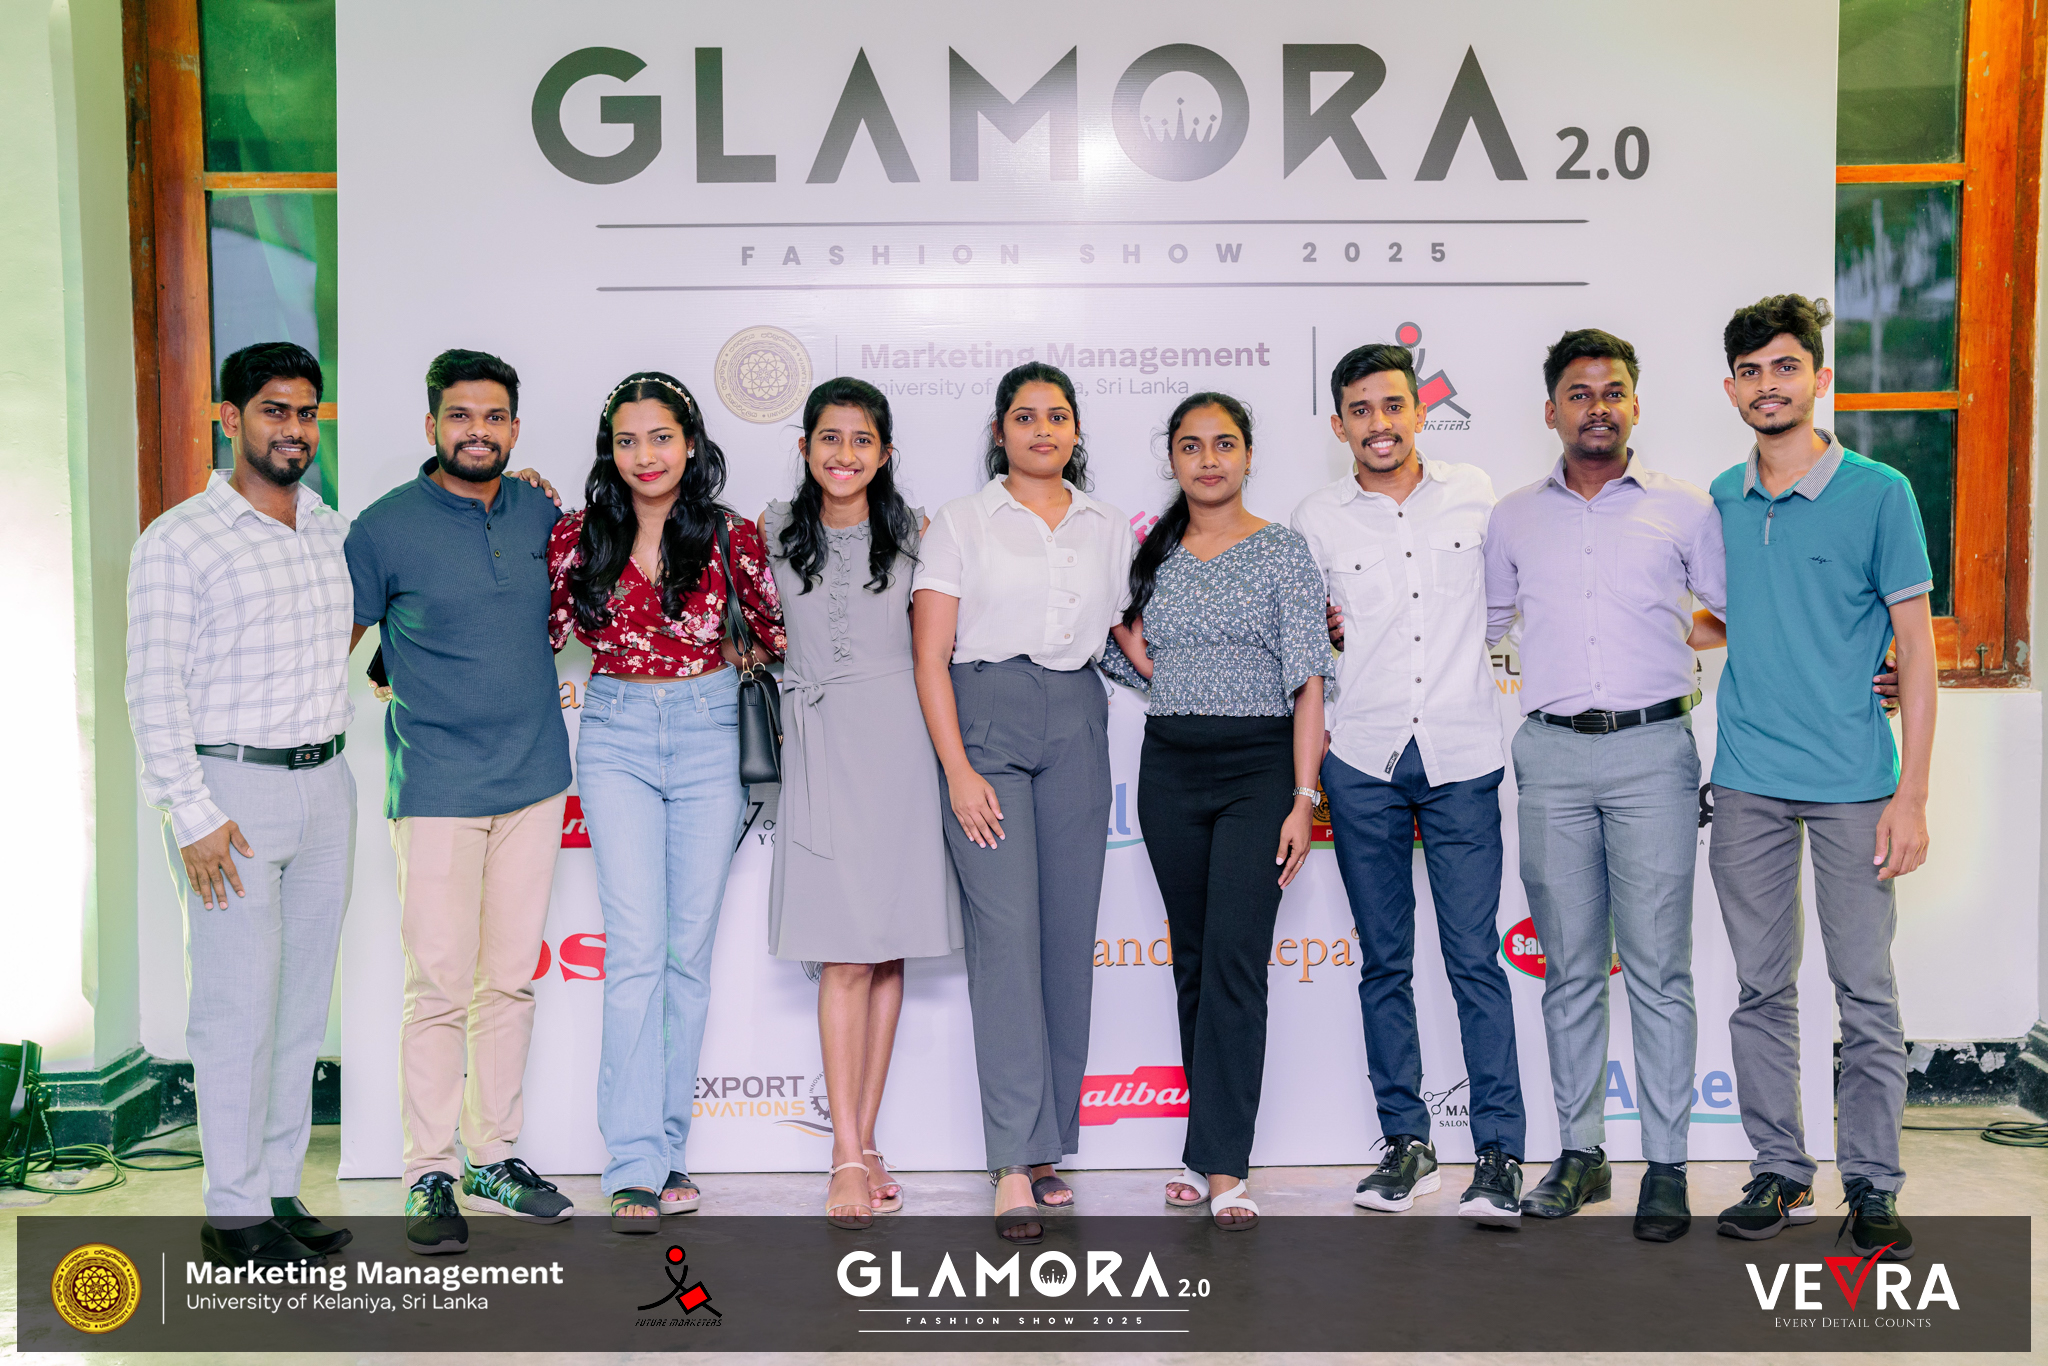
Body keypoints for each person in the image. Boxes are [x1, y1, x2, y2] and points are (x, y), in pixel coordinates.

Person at [1483, 329, 1728, 1242]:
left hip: (1654, 751)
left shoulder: (1687, 510)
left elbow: (1739, 610)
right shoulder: (1513, 517)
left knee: (1660, 968)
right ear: (1551, 410)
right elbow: (1484, 624)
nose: (1598, 407)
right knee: (1571, 969)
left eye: (1613, 391)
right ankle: (1580, 1155)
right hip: (1550, 756)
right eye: (1580, 393)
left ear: (1635, 404)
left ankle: (1665, 1166)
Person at [1705, 295, 1934, 1261]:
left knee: (1864, 991)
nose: (1769, 385)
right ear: (1731, 389)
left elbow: (1916, 652)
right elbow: (1725, 615)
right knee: (1761, 989)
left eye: (1786, 367)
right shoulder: (1720, 498)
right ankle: (1780, 1170)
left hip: (1854, 783)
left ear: (1819, 378)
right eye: (1751, 372)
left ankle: (1873, 1184)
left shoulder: (1881, 493)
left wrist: (1912, 795)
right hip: (1747, 779)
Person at [126, 342, 355, 1267]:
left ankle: (276, 1189)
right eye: (272, 411)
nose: (292, 429)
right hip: (232, 792)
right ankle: (231, 1212)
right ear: (231, 420)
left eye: (305, 413)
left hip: (326, 786)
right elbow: (153, 689)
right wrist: (191, 815)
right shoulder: (179, 540)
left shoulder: (329, 529)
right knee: (235, 1009)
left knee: (299, 1009)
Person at [346, 349, 577, 1254]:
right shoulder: (383, 528)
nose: (477, 432)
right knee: (438, 987)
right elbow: (342, 642)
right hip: (438, 785)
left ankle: (494, 1157)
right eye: (460, 416)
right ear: (432, 425)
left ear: (514, 427)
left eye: (493, 417)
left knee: (509, 981)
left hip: (534, 778)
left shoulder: (541, 512)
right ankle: (430, 1170)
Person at [548, 371, 785, 1233]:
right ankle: (631, 1164)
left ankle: (668, 1148)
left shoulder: (730, 534)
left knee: (686, 955)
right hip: (614, 728)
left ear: (690, 444)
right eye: (627, 440)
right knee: (636, 953)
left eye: (660, 437)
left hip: (710, 727)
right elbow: (541, 631)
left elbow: (775, 632)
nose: (645, 456)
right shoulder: (576, 535)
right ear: (609, 449)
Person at [1298, 343, 1527, 1228]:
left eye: (1393, 405)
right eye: (1360, 409)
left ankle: (1499, 1152)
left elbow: (1511, 604)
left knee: (1475, 959)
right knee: (1385, 963)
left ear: (1419, 411)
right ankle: (1406, 1142)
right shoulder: (1316, 518)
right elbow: (1310, 644)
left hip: (1464, 753)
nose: (1379, 423)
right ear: (1338, 425)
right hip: (1363, 758)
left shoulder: (1477, 495)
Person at [911, 362, 1134, 1244]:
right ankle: (1010, 1157)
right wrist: (959, 769)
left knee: (1066, 941)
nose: (1043, 429)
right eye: (1025, 416)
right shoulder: (962, 521)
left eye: (1058, 416)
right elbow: (930, 656)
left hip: (1078, 717)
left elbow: (1127, 636)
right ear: (1000, 432)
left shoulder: (1108, 525)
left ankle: (1049, 1149)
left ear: (1076, 431)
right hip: (987, 717)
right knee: (1005, 941)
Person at [1102, 393, 1331, 1231]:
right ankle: (1205, 1151)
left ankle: (1226, 1164)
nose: (1208, 459)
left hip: (1258, 771)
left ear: (1247, 455)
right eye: (1192, 446)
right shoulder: (1151, 552)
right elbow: (1120, 641)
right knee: (1195, 961)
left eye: (1224, 444)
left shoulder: (1282, 550)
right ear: (1172, 458)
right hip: (1169, 767)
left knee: (1235, 962)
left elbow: (1309, 680)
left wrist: (1303, 798)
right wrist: (1164, 672)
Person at [759, 378, 963, 1230]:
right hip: (820, 744)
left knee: (886, 954)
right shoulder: (770, 531)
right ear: (806, 446)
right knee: (843, 956)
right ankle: (843, 1151)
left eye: (862, 440)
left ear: (884, 453)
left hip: (903, 749)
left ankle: (866, 1138)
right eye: (829, 438)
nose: (844, 455)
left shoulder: (918, 536)